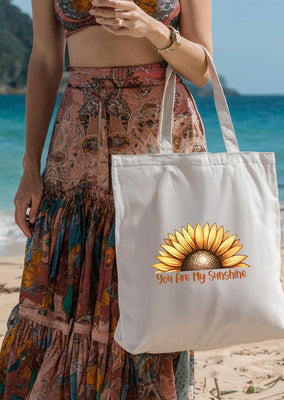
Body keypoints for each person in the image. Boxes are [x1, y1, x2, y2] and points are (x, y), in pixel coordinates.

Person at [0, 0, 212, 398]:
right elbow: (46, 60)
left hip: (160, 132)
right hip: (77, 140)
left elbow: (202, 68)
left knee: (158, 282)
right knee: (64, 279)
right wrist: (30, 167)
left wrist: (150, 27)